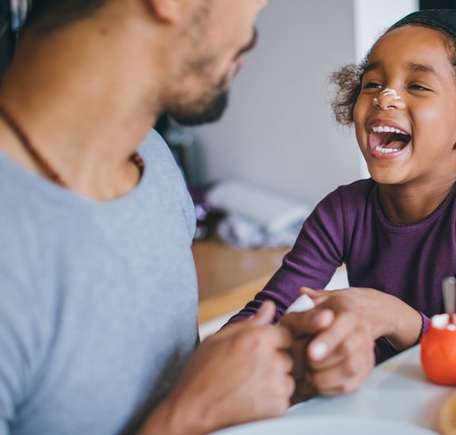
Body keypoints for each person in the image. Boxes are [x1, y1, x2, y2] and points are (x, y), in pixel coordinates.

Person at [0, 1, 348, 434]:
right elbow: (183, 412)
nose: (259, 12)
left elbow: (164, 391)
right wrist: (188, 416)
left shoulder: (152, 161)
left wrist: (274, 367)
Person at [231, 9, 456, 385]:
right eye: (373, 83)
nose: (385, 98)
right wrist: (211, 364)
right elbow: (268, 310)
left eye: (418, 86)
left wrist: (395, 318)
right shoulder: (342, 210)